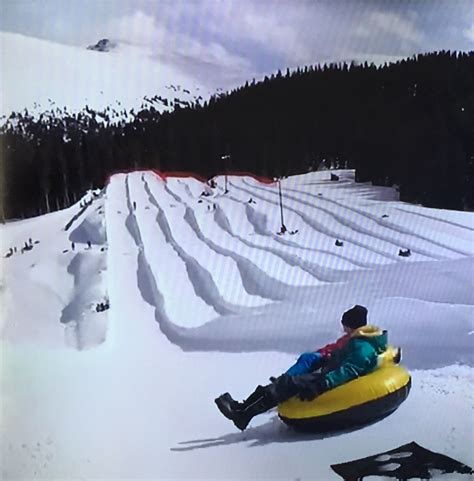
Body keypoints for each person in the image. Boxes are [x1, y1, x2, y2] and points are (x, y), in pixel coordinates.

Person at [215, 305, 388, 431]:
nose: (342, 328)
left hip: (329, 379)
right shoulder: (357, 340)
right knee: (286, 382)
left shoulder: (362, 347)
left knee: (287, 384)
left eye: (345, 325)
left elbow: (349, 370)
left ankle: (243, 414)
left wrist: (324, 382)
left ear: (351, 325)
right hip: (327, 372)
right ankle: (242, 408)